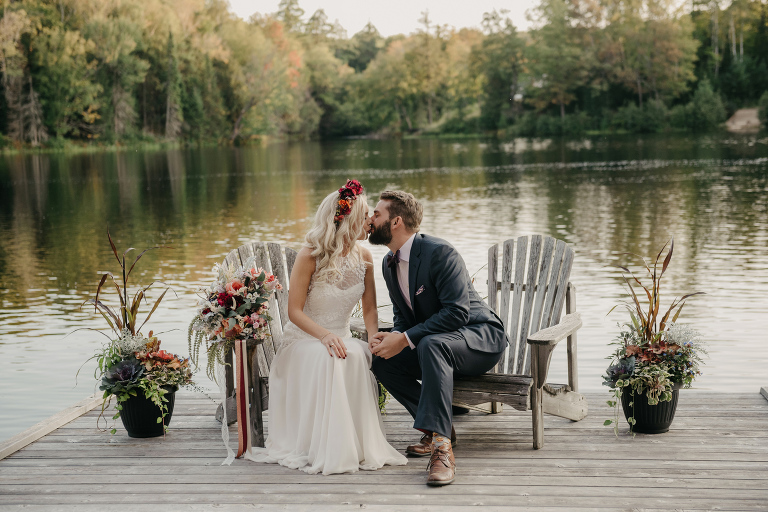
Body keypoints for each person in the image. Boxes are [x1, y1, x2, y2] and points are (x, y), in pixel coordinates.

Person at [248, 180, 407, 475]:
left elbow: (370, 308)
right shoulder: (311, 254)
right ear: (347, 220)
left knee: (358, 353)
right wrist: (324, 335)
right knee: (333, 355)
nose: (370, 221)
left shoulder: (365, 257)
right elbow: (293, 311)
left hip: (342, 336)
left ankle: (356, 447)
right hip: (305, 339)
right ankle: (326, 448)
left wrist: (373, 338)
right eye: (365, 216)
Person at [367, 190, 508, 486]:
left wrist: (404, 338)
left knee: (431, 344)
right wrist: (393, 337)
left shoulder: (439, 252)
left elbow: (457, 313)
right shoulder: (388, 263)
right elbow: (404, 319)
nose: (370, 219)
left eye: (376, 214)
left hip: (479, 339)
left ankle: (442, 451)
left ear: (396, 221)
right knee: (381, 361)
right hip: (438, 345)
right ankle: (437, 428)